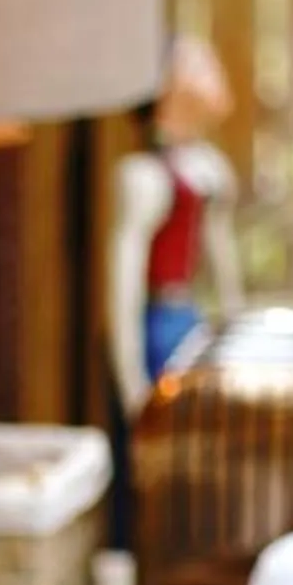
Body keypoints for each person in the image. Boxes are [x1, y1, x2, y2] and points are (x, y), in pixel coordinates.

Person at [105, 35, 244, 421]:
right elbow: (124, 283)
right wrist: (130, 378)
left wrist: (233, 331)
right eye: (198, 64)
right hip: (158, 327)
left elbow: (222, 266)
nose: (213, 72)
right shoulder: (143, 176)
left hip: (192, 323)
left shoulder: (208, 169)